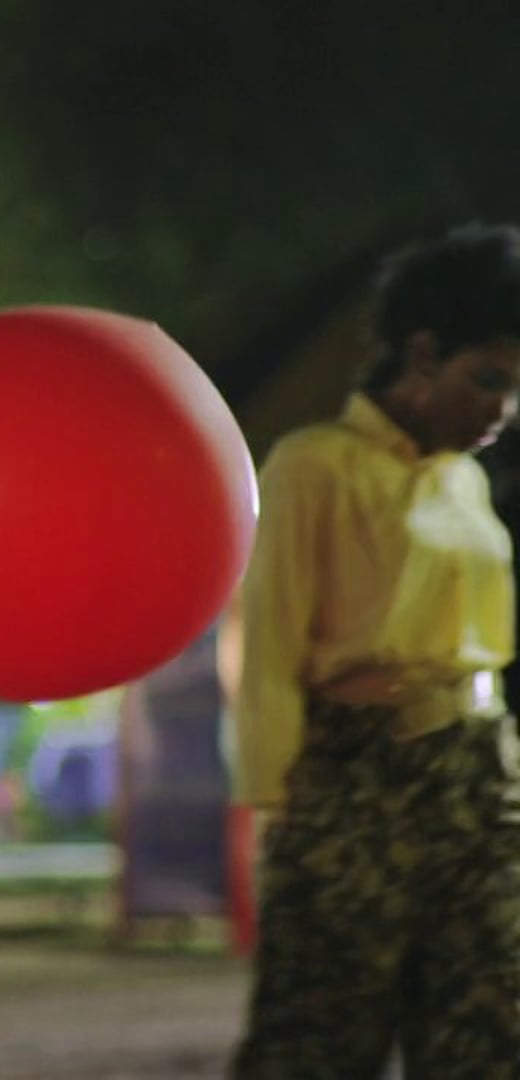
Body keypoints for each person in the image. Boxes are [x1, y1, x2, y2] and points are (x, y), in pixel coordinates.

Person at [230, 223, 520, 1077]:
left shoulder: (466, 480)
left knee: (491, 1039)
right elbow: (271, 648)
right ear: (421, 354)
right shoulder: (313, 466)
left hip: (481, 775)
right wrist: (277, 809)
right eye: (489, 378)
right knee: (316, 1044)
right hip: (354, 782)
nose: (502, 410)